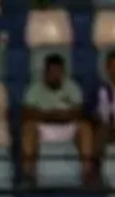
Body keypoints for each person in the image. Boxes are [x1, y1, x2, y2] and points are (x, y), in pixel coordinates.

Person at [21, 53, 95, 185]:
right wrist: (54, 115)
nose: (55, 75)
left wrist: (50, 114)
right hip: (44, 128)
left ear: (63, 72)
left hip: (67, 127)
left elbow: (78, 112)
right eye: (52, 72)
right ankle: (28, 173)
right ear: (46, 72)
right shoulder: (34, 89)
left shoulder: (72, 87)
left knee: (85, 127)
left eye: (58, 72)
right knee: (28, 128)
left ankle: (87, 172)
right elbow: (28, 114)